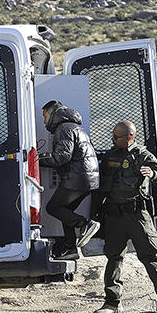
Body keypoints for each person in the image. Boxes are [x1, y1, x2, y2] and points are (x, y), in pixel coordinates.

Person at [93, 120, 157, 313]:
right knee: (114, 257)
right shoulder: (110, 156)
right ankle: (112, 303)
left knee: (152, 256)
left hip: (137, 215)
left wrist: (152, 173)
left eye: (116, 137)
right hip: (114, 215)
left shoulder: (142, 156)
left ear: (129, 138)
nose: (112, 139)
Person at [39, 100, 100, 260]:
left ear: (52, 113)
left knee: (53, 208)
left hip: (78, 178)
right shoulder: (73, 126)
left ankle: (85, 224)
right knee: (65, 213)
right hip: (86, 178)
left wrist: (36, 160)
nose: (44, 121)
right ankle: (70, 249)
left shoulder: (64, 128)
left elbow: (62, 157)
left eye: (45, 116)